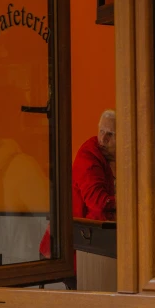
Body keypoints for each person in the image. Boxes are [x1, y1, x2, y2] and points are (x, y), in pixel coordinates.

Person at [39, 109, 116, 258]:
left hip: (88, 242)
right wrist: (129, 204)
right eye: (101, 131)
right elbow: (98, 202)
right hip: (68, 245)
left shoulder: (124, 158)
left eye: (110, 134)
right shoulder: (89, 155)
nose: (103, 139)